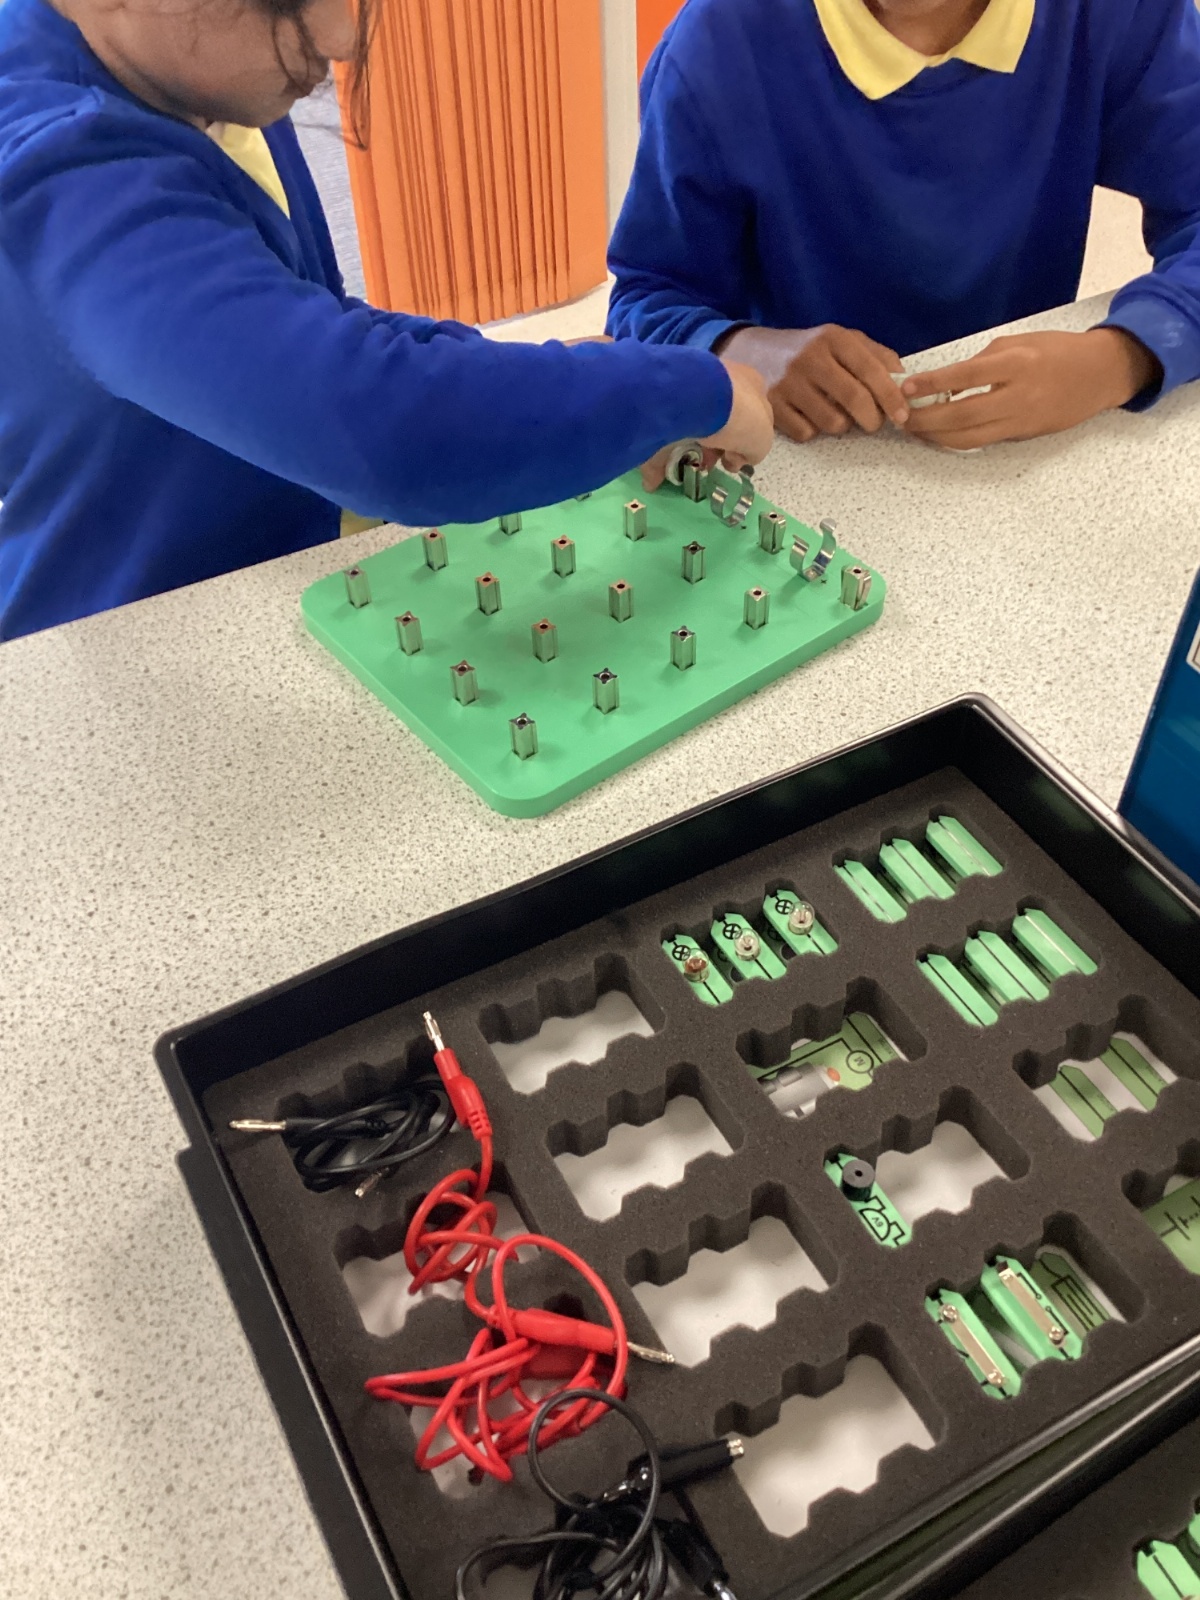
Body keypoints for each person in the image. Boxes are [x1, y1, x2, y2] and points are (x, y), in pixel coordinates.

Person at [0, 0, 773, 641]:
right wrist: (689, 389)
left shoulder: (189, 71)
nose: (340, 37)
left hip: (279, 579)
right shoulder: (70, 173)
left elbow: (306, 318)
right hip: (142, 646)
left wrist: (563, 380)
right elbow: (380, 424)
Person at [607, 0, 1200, 454]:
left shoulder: (1118, 15)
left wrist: (1119, 359)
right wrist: (739, 349)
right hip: (803, 455)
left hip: (1018, 457)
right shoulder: (719, 41)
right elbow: (649, 296)